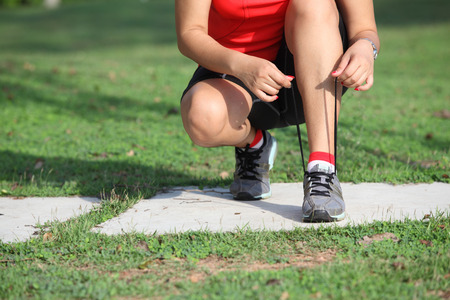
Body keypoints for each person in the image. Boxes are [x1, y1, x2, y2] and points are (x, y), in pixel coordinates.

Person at [175, 0, 380, 222]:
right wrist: (242, 66)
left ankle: (323, 170)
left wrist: (366, 48)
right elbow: (189, 34)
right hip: (236, 72)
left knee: (314, 3)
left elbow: (364, 28)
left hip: (314, 80)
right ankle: (254, 144)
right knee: (202, 116)